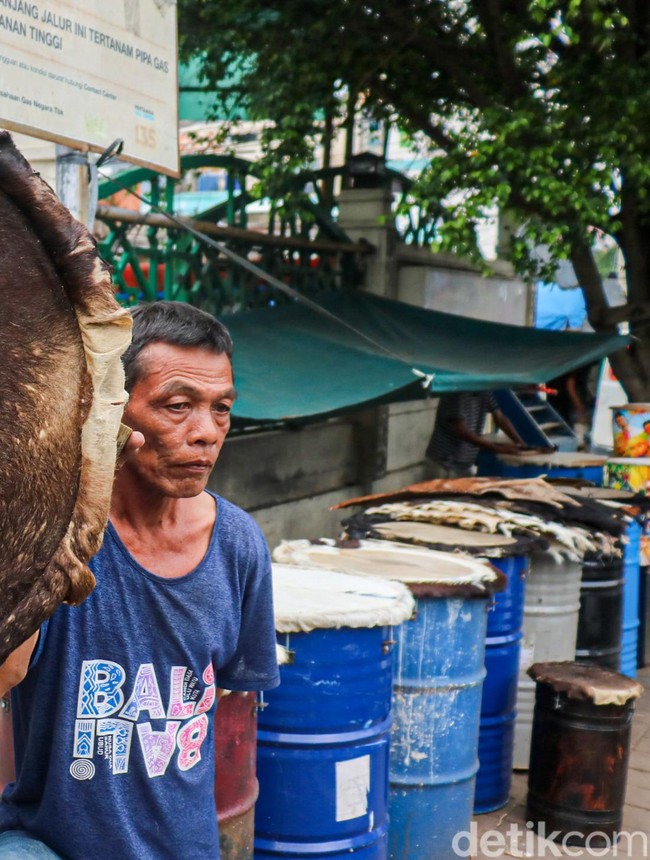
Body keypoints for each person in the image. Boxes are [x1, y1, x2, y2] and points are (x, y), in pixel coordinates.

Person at [0, 302, 280, 859]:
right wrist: (57, 514)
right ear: (113, 409)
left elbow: (219, 701)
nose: (205, 433)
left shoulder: (239, 545)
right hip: (47, 844)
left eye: (221, 409)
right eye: (177, 406)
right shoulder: (49, 537)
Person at [425, 391, 526, 478]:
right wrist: (498, 449)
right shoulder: (456, 393)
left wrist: (520, 443)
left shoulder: (485, 392)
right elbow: (461, 431)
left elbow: (500, 418)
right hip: (444, 464)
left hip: (464, 465)